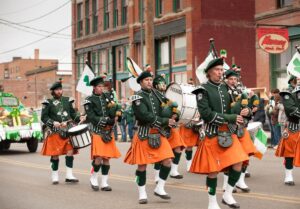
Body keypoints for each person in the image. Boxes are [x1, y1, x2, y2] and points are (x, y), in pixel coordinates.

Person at [191, 58, 249, 209]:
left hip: (229, 133)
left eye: (221, 70)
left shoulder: (226, 88)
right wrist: (230, 117)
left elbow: (232, 109)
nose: (220, 72)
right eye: (217, 70)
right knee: (213, 171)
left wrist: (244, 111)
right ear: (209, 73)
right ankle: (212, 202)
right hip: (212, 134)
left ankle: (228, 194)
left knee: (239, 162)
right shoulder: (202, 90)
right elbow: (207, 115)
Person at [124, 70, 175, 204]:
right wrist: (165, 121)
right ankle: (142, 193)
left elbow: (168, 106)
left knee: (168, 161)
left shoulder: (158, 94)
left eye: (151, 80)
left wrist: (174, 112)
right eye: (146, 80)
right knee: (142, 166)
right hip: (143, 134)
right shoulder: (137, 98)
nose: (149, 82)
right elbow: (144, 116)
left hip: (158, 133)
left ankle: (160, 188)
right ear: (141, 82)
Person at [41, 79, 84, 184]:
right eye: (57, 90)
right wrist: (52, 122)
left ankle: (69, 175)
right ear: (53, 92)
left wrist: (80, 118)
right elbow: (44, 117)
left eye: (60, 89)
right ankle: (55, 176)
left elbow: (73, 114)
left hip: (68, 131)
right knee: (55, 154)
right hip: (55, 131)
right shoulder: (48, 103)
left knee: (70, 151)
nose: (59, 91)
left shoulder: (67, 100)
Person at [83, 76, 121, 191]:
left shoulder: (108, 97)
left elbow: (115, 107)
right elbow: (92, 117)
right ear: (94, 88)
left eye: (102, 86)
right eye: (99, 86)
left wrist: (118, 114)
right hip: (97, 131)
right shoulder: (89, 100)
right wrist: (106, 121)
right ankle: (93, 177)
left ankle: (104, 182)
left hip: (108, 132)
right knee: (98, 157)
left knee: (106, 158)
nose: (101, 88)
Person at [223, 69, 257, 193]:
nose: (233, 81)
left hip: (241, 128)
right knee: (230, 158)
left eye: (235, 79)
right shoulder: (222, 91)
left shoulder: (241, 91)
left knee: (246, 155)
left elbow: (247, 106)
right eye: (231, 79)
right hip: (228, 128)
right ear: (226, 79)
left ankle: (240, 181)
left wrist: (247, 111)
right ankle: (226, 184)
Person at [152, 75, 186, 181]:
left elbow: (175, 109)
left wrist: (176, 114)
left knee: (178, 148)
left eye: (164, 83)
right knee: (160, 154)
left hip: (170, 127)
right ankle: (157, 175)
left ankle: (174, 170)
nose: (163, 85)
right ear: (156, 85)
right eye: (161, 83)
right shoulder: (153, 97)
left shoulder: (165, 97)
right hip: (159, 127)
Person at [275, 79, 300, 186]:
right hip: (294, 127)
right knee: (289, 153)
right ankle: (288, 176)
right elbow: (291, 109)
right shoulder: (288, 93)